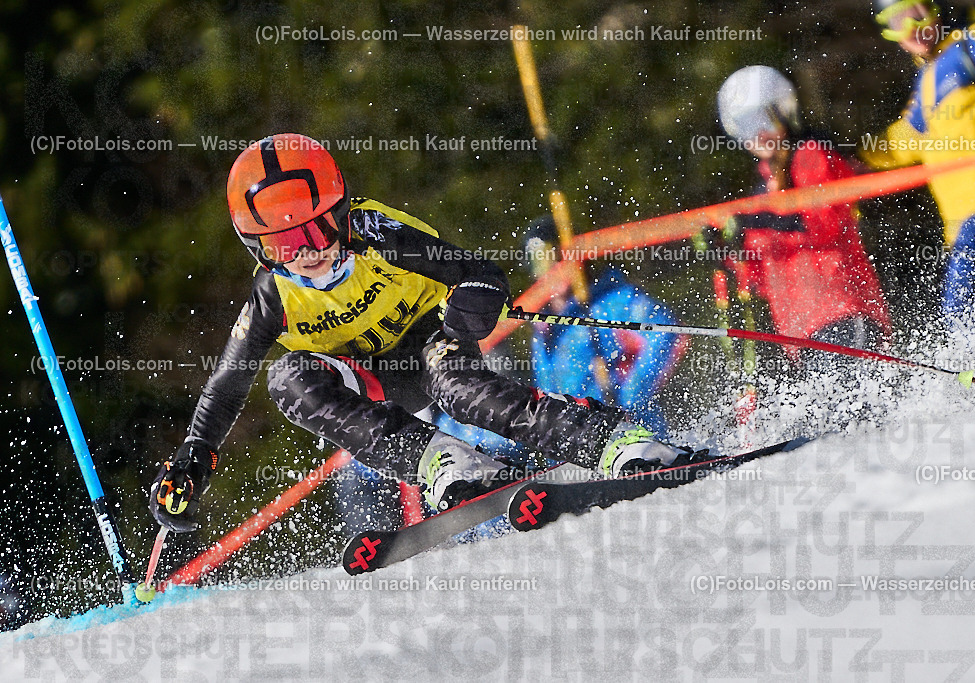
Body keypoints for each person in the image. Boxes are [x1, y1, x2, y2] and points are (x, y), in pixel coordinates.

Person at [148, 133, 698, 533]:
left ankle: (616, 440)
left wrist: (467, 318)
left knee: (457, 387)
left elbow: (481, 276)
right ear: (258, 248)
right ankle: (444, 460)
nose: (306, 253)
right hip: (373, 382)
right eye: (282, 245)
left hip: (434, 341)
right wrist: (195, 457)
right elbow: (228, 383)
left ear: (339, 211)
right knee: (287, 378)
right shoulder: (274, 294)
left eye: (316, 229)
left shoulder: (378, 235)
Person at [860, 0, 975, 332]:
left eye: (917, 14)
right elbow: (906, 139)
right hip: (961, 226)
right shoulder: (928, 80)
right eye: (898, 23)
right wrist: (854, 158)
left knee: (962, 315)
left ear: (937, 7)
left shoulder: (974, 41)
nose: (912, 29)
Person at [715, 66, 892, 373]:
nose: (756, 134)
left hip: (843, 312)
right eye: (743, 126)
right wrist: (727, 249)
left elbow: (825, 224)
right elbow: (762, 278)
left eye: (761, 119)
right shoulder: (762, 192)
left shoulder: (811, 155)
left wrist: (763, 220)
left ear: (783, 111)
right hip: (803, 335)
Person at [523, 217, 687, 436]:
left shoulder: (611, 301)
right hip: (577, 442)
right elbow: (546, 394)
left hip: (633, 434)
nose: (552, 270)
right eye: (540, 262)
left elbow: (666, 330)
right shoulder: (542, 330)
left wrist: (632, 396)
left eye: (557, 257)